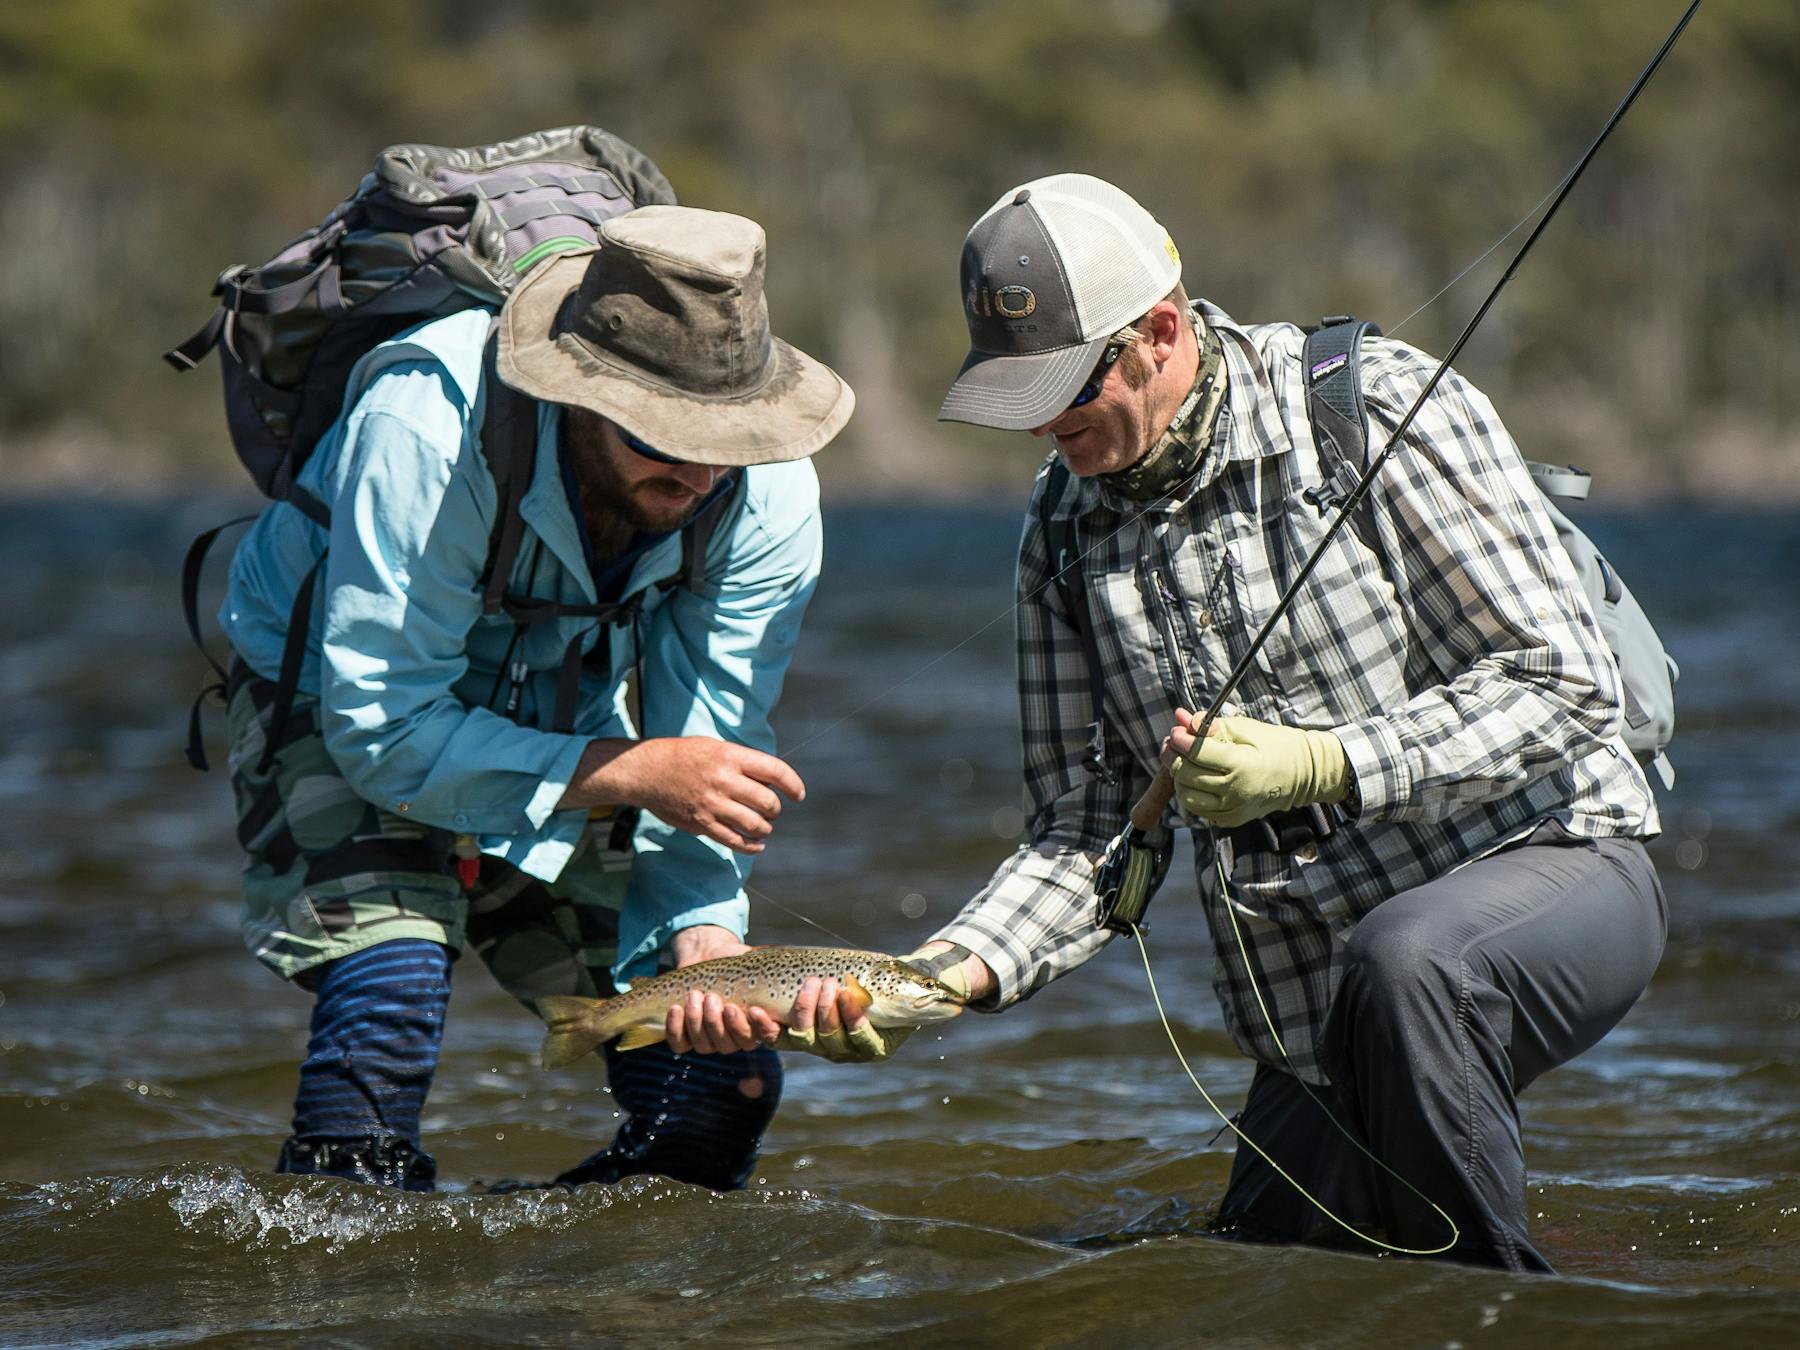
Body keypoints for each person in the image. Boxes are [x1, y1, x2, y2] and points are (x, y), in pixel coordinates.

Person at [908, 173, 1665, 1271]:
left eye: (1065, 383)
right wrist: (948, 975)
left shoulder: (1378, 406)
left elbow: (1564, 683)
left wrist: (1331, 762)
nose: (1041, 420)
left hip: (1559, 864)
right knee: (1256, 1271)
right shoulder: (1060, 527)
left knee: (1412, 965)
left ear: (1159, 332)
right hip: (1315, 1013)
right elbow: (1087, 834)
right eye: (1017, 392)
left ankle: (1507, 1320)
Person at [218, 205, 857, 1192]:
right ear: (579, 397)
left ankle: (560, 1293)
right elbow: (384, 731)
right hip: (341, 699)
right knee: (388, 996)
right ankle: (331, 1297)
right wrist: (633, 769)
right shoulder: (426, 428)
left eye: (721, 438)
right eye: (661, 435)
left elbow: (709, 755)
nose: (696, 471)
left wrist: (704, 946)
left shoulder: (766, 501)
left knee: (720, 1094)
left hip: (557, 715)